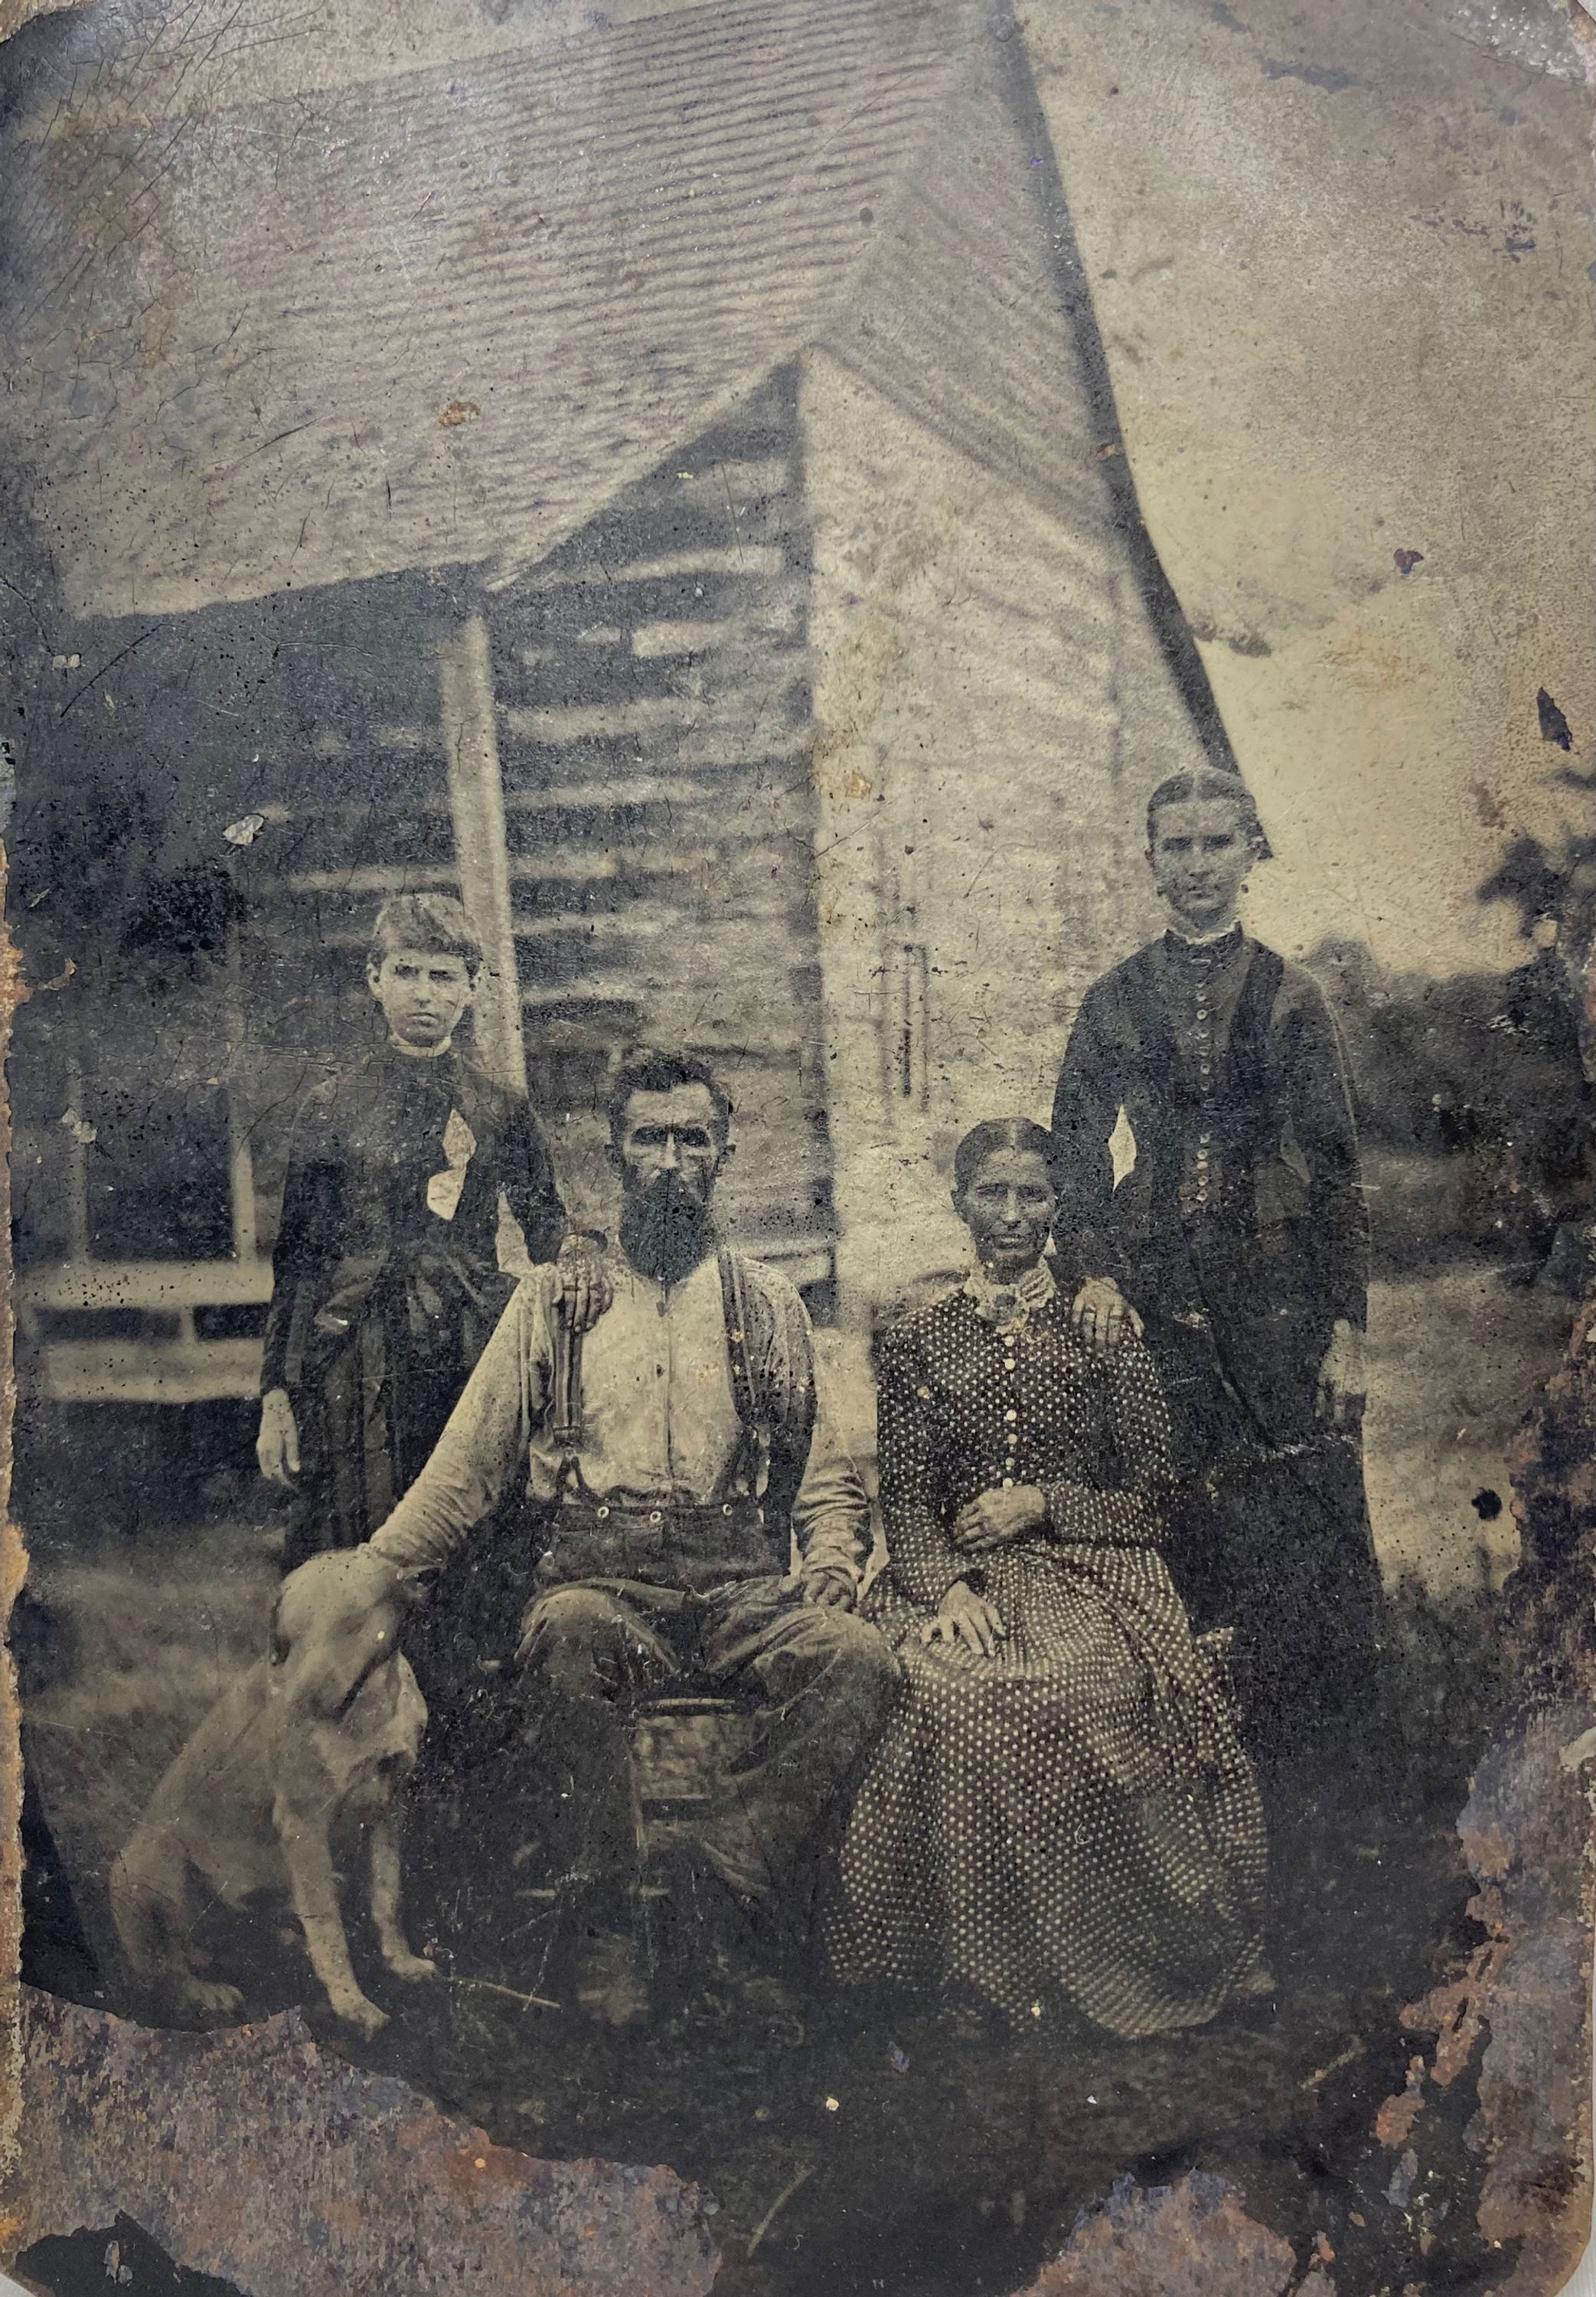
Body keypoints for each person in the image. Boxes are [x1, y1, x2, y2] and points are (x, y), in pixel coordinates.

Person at [363, 1047, 898, 2023]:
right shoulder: (555, 1305)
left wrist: (827, 1564)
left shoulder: (767, 1302)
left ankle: (721, 1884)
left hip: (740, 1589)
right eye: (648, 1138)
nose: (669, 1159)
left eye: (691, 1138)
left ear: (722, 1153)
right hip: (604, 1588)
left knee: (857, 1658)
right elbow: (462, 1476)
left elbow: (821, 1479)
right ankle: (608, 1920)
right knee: (566, 1636)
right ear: (614, 1154)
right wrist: (364, 1585)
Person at [832, 1119, 1264, 2034]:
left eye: (1034, 1195)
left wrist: (1046, 1505)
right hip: (957, 1575)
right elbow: (905, 1504)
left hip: (1094, 1568)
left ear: (1061, 1208)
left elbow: (1161, 1497)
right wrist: (948, 1588)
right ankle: (973, 1970)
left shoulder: (1101, 1325)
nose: (1014, 1216)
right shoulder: (918, 1340)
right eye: (993, 1193)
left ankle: (1112, 1949)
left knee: (1083, 1682)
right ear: (960, 1205)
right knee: (944, 1684)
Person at [1049, 769, 1385, 1767]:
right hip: (1154, 1304)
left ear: (1248, 854)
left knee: (1306, 1543)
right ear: (1151, 860)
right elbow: (1072, 1152)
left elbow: (1335, 1172)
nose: (1196, 866)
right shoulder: (1111, 1001)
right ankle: (1184, 1776)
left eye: (1216, 844)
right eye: (1177, 846)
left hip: (1277, 1308)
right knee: (1176, 1530)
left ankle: (1326, 1795)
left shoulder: (1293, 998)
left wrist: (1348, 1332)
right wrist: (1097, 1273)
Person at [257, 894, 605, 1568]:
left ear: (473, 987)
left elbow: (545, 1222)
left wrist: (578, 1253)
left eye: (443, 976)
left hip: (466, 1341)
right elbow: (299, 1262)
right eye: (407, 972)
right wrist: (276, 1392)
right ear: (374, 978)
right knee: (359, 1535)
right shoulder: (331, 1106)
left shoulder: (498, 1107)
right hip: (356, 1347)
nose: (424, 993)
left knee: (465, 1526)